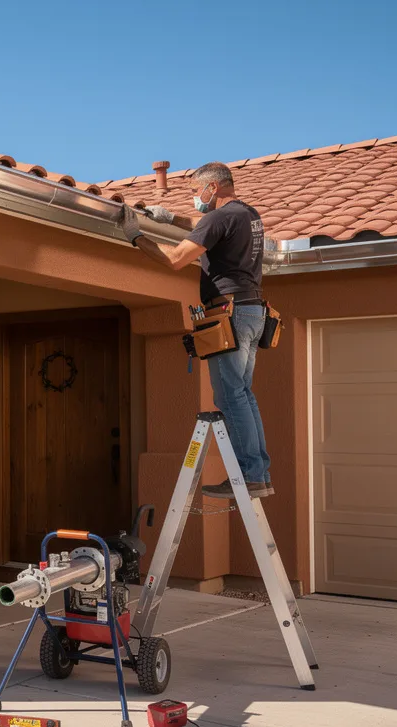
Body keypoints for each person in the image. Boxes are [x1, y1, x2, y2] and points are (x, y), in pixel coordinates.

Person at [123, 162, 272, 499]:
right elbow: (205, 225)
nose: (195, 198)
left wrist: (136, 236)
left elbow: (176, 259)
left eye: (195, 191)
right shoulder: (245, 214)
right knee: (243, 394)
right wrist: (167, 217)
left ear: (213, 187)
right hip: (252, 311)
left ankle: (249, 476)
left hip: (229, 313)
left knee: (230, 396)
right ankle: (258, 473)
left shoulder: (220, 217)